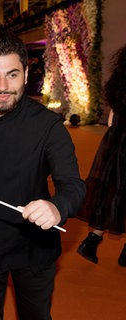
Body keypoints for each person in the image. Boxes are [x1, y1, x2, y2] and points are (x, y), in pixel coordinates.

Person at [0, 31, 86, 320]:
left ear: (26, 74)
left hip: (35, 248)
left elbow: (73, 185)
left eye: (12, 75)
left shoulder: (48, 125)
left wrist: (56, 206)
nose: (2, 86)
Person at [76, 44, 126, 267]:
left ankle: (93, 239)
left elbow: (111, 119)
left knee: (110, 189)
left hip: (116, 141)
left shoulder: (120, 81)